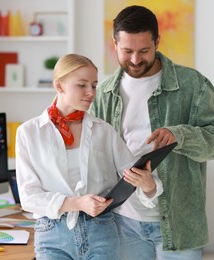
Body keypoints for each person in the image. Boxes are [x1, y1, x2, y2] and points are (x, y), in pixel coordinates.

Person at [89, 5, 214, 260]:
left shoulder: (192, 84)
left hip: (179, 223)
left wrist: (181, 135)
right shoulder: (104, 92)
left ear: (157, 41)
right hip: (123, 222)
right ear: (114, 44)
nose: (135, 60)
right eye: (126, 51)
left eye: (144, 50)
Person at [16, 53, 163, 260]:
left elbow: (132, 177)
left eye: (94, 85)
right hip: (52, 236)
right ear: (59, 86)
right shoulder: (29, 132)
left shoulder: (104, 131)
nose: (90, 92)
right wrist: (77, 203)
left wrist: (148, 186)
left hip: (101, 232)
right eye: (82, 85)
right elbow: (29, 197)